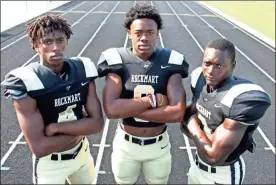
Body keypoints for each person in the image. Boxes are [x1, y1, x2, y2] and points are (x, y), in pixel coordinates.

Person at [1, 14, 104, 184]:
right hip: (50, 164)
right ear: (35, 45)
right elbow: (40, 148)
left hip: (82, 154)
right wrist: (83, 127)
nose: (55, 47)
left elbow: (98, 124)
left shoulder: (83, 69)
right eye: (47, 42)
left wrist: (56, 128)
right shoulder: (25, 81)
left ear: (67, 41)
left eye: (60, 40)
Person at [97, 4, 189, 185]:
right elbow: (111, 110)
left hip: (158, 145)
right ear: (129, 33)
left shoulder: (172, 61)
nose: (144, 38)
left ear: (158, 33)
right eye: (138, 33)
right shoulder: (116, 60)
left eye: (150, 32)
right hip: (126, 145)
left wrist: (128, 108)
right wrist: (154, 100)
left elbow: (177, 112)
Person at [180, 38, 271, 184]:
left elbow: (213, 157)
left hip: (222, 175)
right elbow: (183, 123)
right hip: (197, 167)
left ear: (232, 65)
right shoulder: (199, 79)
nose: (210, 71)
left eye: (218, 65)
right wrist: (199, 132)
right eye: (207, 63)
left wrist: (191, 123)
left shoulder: (242, 97)